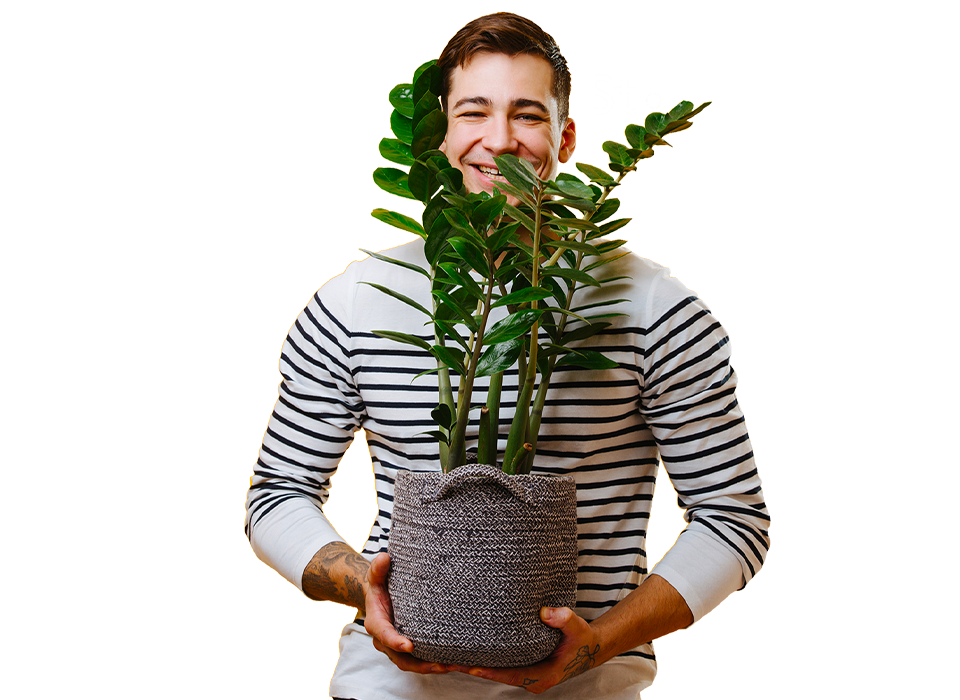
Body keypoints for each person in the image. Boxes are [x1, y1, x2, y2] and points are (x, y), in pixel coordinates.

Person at [244, 12, 770, 700]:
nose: (499, 140)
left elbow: (732, 519)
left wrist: (598, 643)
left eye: (527, 114)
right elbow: (277, 494)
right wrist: (364, 587)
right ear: (439, 136)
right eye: (474, 112)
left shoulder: (654, 308)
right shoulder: (354, 301)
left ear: (566, 138)